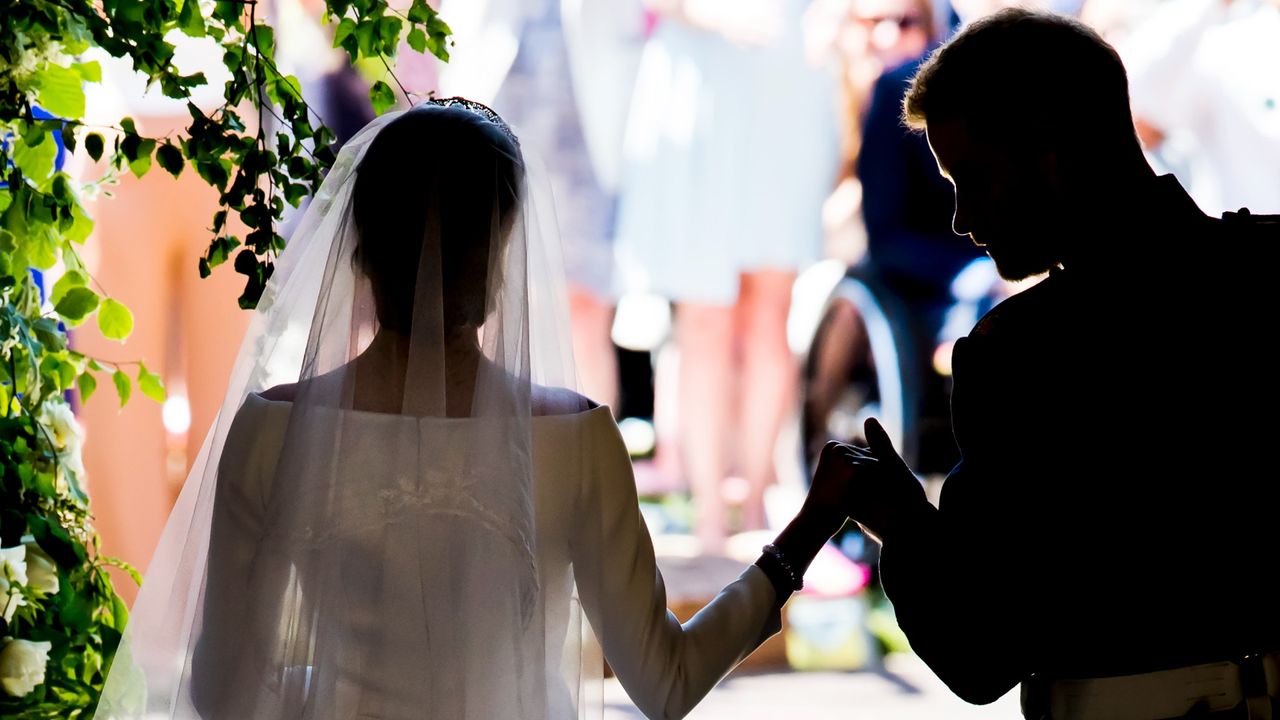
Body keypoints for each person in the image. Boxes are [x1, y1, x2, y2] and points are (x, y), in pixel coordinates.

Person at [92, 101, 850, 720]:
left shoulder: (270, 431)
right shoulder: (576, 441)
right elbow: (667, 682)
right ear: (503, 255)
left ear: (358, 251)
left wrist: (339, 694)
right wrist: (808, 531)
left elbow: (222, 695)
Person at [812, 9, 1280, 717]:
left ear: (1050, 155)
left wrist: (903, 521)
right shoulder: (1267, 274)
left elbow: (980, 653)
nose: (963, 218)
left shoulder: (1019, 356)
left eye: (971, 177)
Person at [616, 0, 839, 548]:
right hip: (701, 87)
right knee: (705, 318)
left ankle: (759, 493)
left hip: (785, 87)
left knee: (771, 310)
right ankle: (710, 513)